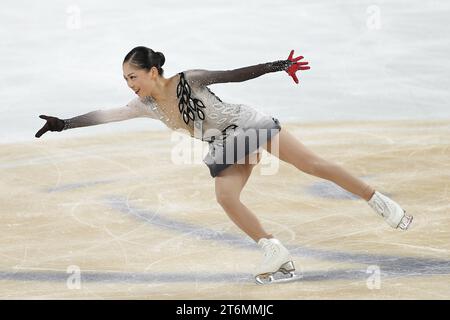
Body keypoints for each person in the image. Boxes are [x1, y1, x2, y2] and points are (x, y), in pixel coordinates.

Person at [35, 46, 413, 284]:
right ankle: (273, 249)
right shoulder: (143, 106)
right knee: (226, 197)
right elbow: (105, 115)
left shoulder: (188, 80)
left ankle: (379, 200)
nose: (129, 84)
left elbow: (234, 75)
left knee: (310, 164)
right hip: (224, 143)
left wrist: (279, 64)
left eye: (132, 76)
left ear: (152, 72)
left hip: (246, 123)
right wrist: (65, 123)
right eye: (125, 79)